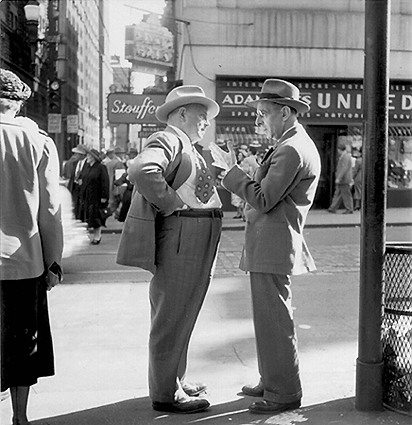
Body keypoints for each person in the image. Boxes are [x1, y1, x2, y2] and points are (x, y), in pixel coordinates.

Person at [210, 79, 321, 414]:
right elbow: (264, 189)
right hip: (270, 244)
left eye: (264, 114)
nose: (258, 122)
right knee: (269, 318)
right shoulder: (289, 143)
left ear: (285, 113)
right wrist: (240, 171)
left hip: (273, 244)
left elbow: (263, 197)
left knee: (274, 320)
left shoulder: (291, 148)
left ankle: (283, 391)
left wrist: (231, 172)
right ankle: (271, 378)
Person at [116, 85, 222, 414]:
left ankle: (174, 377)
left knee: (184, 311)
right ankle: (165, 391)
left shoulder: (186, 143)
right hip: (183, 234)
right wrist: (171, 204)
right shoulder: (168, 138)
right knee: (172, 313)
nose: (205, 122)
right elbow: (142, 169)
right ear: (180, 115)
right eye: (200, 116)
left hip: (196, 233)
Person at [0, 69, 64, 425]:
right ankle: (20, 417)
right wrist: (53, 263)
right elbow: (50, 209)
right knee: (23, 342)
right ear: (19, 104)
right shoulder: (38, 142)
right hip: (24, 263)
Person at [79, 148, 110, 244]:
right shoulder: (87, 167)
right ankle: (90, 235)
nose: (87, 157)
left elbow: (105, 182)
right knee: (88, 216)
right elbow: (82, 178)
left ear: (93, 157)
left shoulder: (101, 167)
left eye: (89, 155)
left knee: (96, 216)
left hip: (97, 196)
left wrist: (104, 196)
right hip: (88, 196)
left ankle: (97, 236)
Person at [327, 143, 354, 214]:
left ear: (339, 149)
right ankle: (333, 208)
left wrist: (339, 178)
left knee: (346, 194)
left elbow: (344, 168)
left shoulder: (345, 157)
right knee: (338, 193)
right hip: (343, 179)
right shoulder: (344, 156)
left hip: (344, 179)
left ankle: (349, 208)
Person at [66, 144, 88, 220]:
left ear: (83, 155)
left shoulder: (87, 164)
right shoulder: (75, 163)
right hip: (75, 187)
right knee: (75, 205)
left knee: (82, 207)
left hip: (83, 188)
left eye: (78, 154)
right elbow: (72, 176)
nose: (76, 155)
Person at [103, 146, 126, 218]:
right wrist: (121, 193)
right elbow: (120, 180)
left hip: (109, 188)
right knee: (113, 208)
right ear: (121, 154)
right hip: (115, 190)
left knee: (110, 206)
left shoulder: (109, 163)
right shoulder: (119, 164)